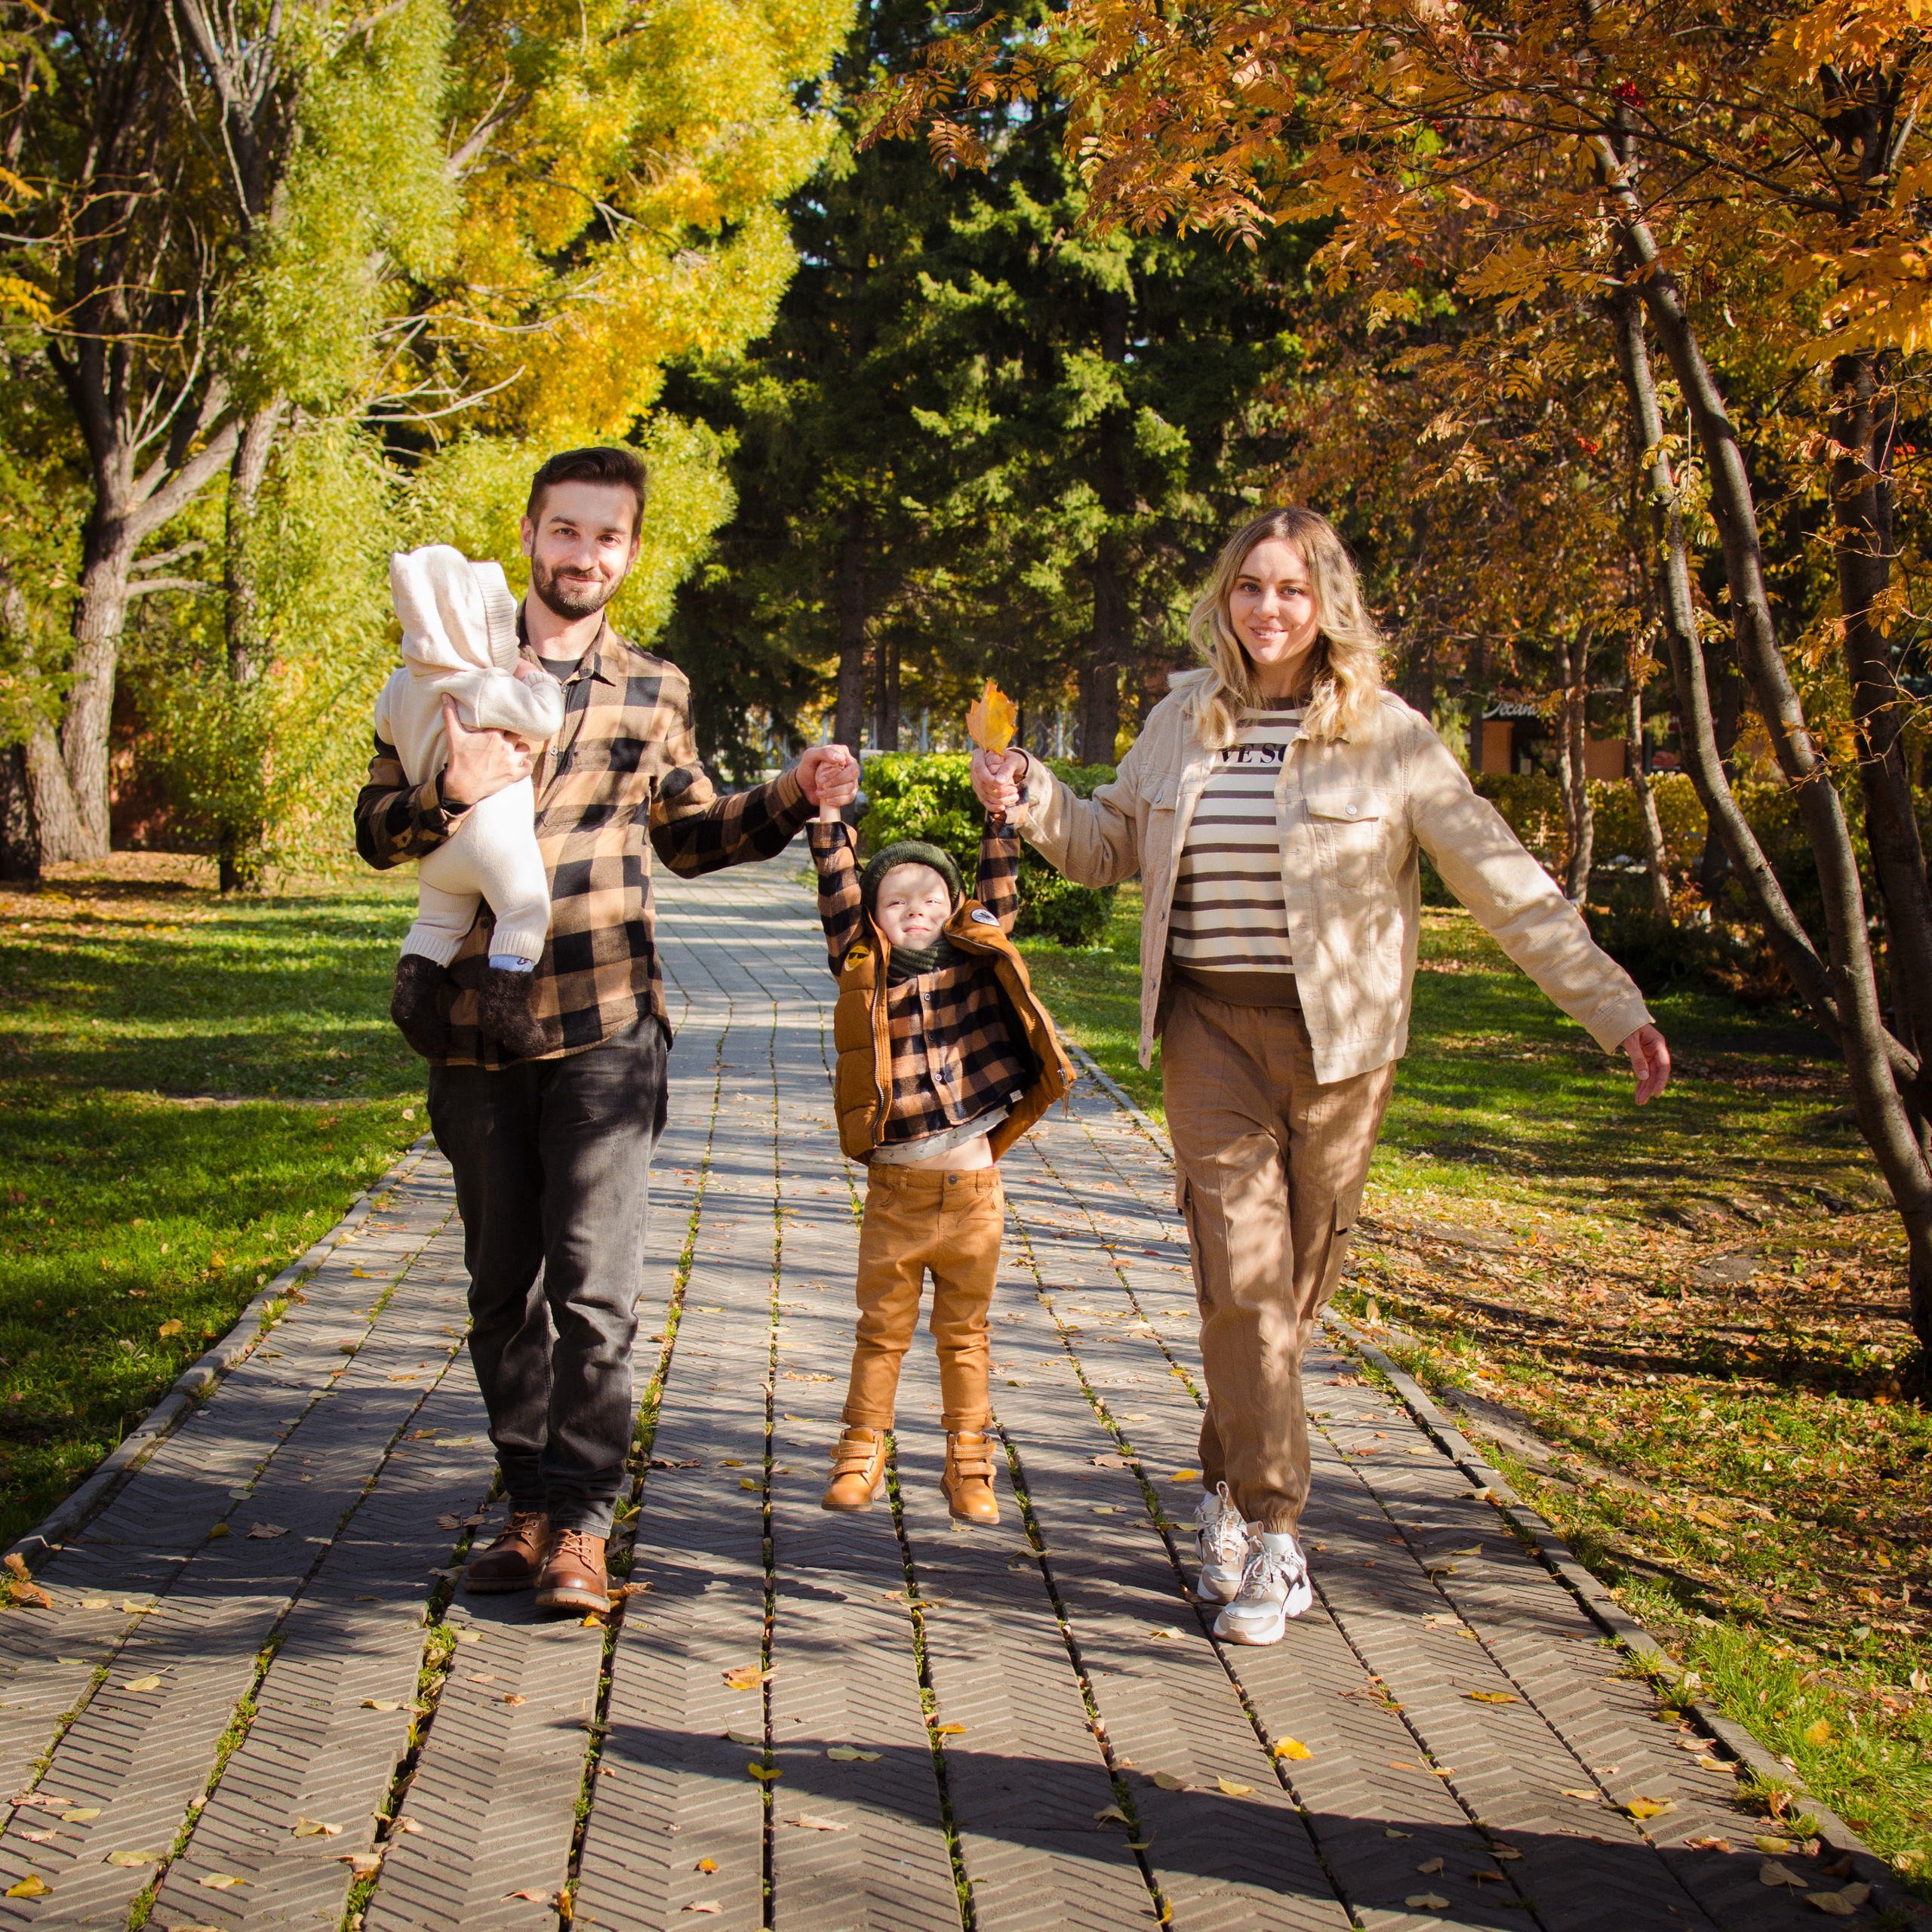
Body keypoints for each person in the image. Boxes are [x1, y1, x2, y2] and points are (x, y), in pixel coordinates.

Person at [971, 505, 1669, 1647]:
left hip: (1343, 1053)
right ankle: (1278, 1536)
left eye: (1291, 589)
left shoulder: (1390, 736)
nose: (1268, 608)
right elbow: (1107, 850)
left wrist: (1614, 1007)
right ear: (1225, 600)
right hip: (1209, 1033)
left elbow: (1499, 877)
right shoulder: (1179, 722)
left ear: (1326, 602)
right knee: (1245, 1280)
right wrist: (1030, 793)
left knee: (1285, 1302)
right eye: (1250, 587)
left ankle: (1222, 1483)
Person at [355, 445, 855, 1614]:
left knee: (595, 1290)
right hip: (476, 1033)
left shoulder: (655, 689)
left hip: (606, 1028)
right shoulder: (445, 670)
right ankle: (526, 1503)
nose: (586, 554)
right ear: (530, 533)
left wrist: (791, 792)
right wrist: (451, 786)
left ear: (631, 553)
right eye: (566, 531)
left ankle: (581, 1524)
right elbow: (378, 830)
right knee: (499, 1290)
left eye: (609, 537)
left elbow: (688, 834)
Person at [808, 798, 1073, 1526]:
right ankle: (861, 1452)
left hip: (973, 1194)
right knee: (881, 1331)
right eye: (896, 899)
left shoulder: (973, 955)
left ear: (952, 904)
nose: (914, 909)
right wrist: (829, 818)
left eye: (930, 897)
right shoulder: (862, 964)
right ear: (875, 914)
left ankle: (969, 1465)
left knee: (965, 1334)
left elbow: (997, 888)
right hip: (895, 1195)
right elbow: (838, 893)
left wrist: (1001, 816)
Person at [377, 544, 567, 1061]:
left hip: (441, 849)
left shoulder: (400, 686)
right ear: (476, 629)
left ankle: (412, 996)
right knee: (525, 909)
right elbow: (547, 717)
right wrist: (535, 677)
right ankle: (505, 1001)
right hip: (492, 838)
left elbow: (384, 728)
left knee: (437, 923)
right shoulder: (483, 684)